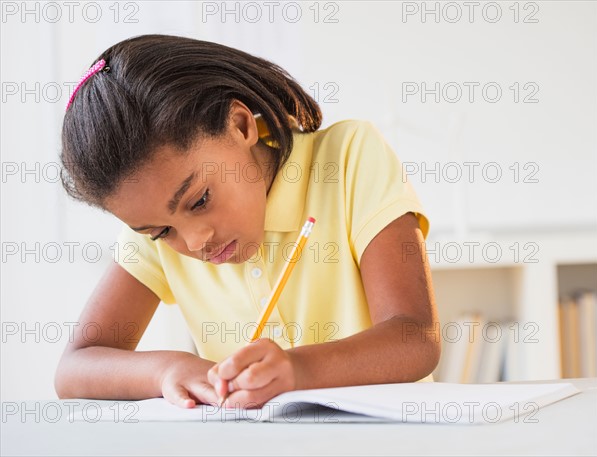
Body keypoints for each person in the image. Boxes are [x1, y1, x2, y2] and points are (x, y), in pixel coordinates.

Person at [55, 34, 440, 409]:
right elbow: (74, 369)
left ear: (240, 125)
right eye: (161, 232)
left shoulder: (349, 158)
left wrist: (297, 369)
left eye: (200, 200)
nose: (194, 241)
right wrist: (166, 368)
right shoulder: (156, 220)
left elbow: (415, 337)